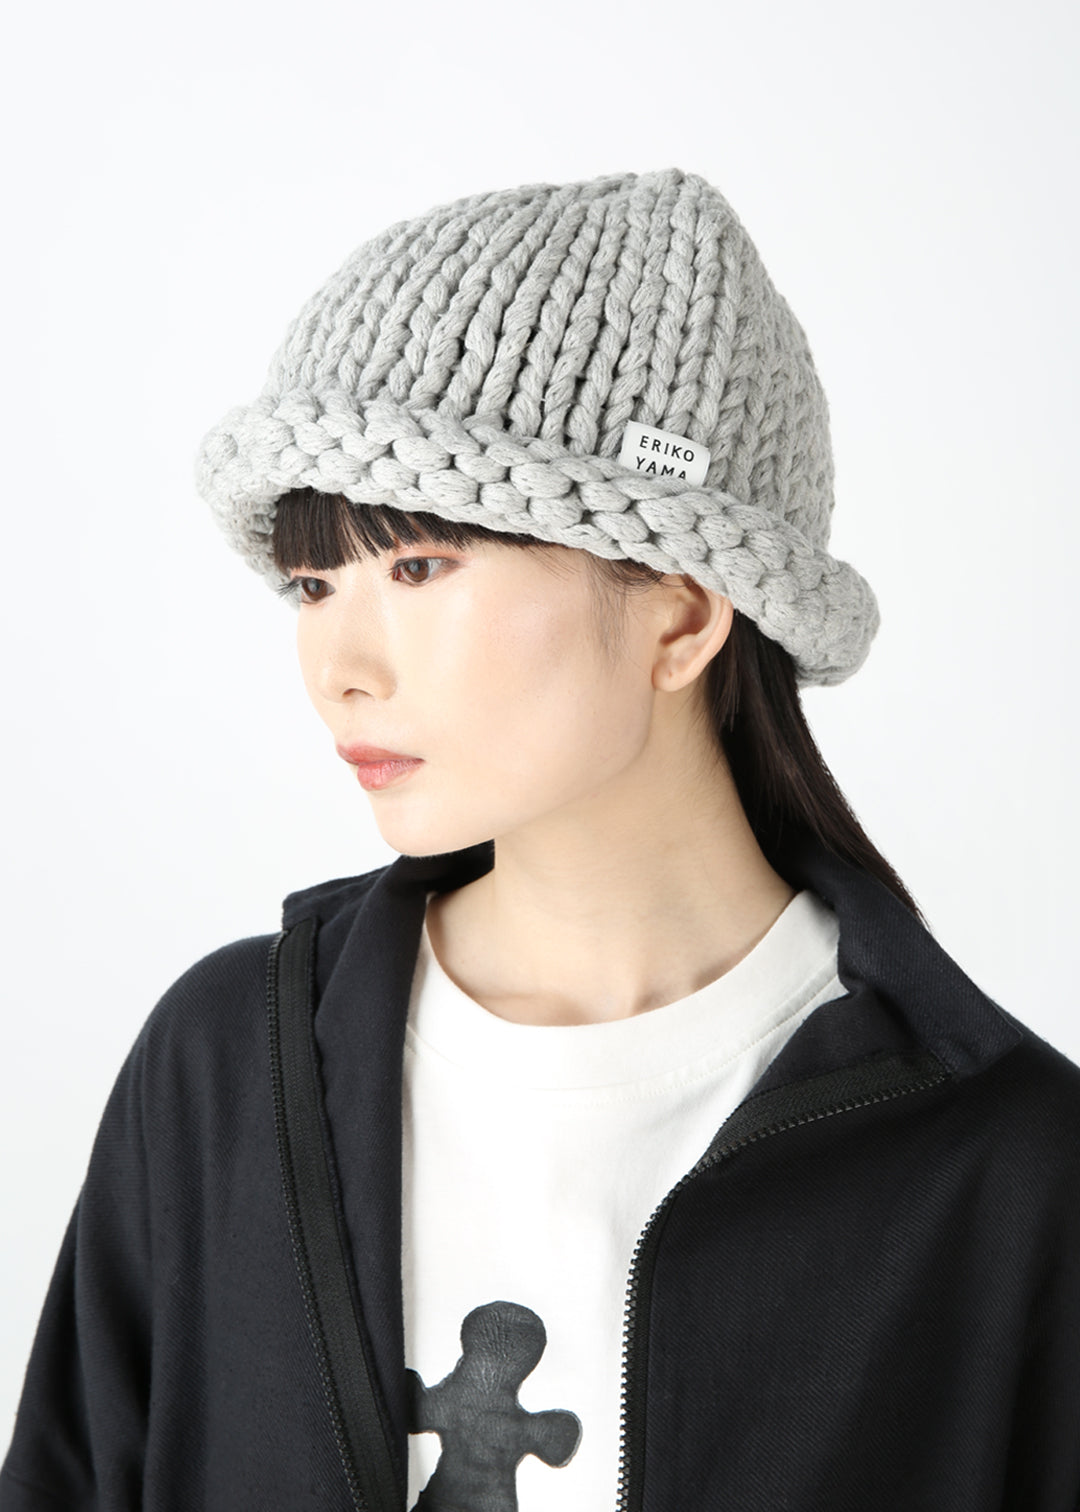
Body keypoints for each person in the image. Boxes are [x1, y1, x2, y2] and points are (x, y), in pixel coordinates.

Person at [2, 166, 1078, 1512]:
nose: (338, 668)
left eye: (419, 568)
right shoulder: (227, 1067)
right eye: (312, 583)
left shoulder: (1004, 1169)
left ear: (683, 615)